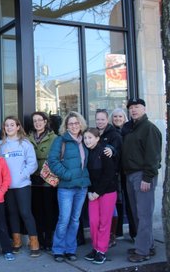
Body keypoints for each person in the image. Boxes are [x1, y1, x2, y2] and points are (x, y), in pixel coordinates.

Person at [121, 98, 162, 263]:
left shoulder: (149, 129)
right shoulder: (131, 128)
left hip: (142, 176)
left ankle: (142, 251)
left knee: (144, 215)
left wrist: (147, 178)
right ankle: (147, 245)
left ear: (144, 109)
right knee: (137, 214)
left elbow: (153, 157)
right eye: (131, 108)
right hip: (130, 175)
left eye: (137, 107)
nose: (133, 110)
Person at [48, 111, 90, 263]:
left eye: (76, 123)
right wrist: (67, 175)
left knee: (75, 219)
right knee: (64, 219)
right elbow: (52, 161)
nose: (74, 126)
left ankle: (70, 249)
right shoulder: (61, 140)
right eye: (70, 123)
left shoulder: (85, 140)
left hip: (82, 187)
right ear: (66, 126)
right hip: (66, 187)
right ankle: (58, 249)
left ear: (81, 124)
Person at [0, 116, 40, 257]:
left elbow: (33, 164)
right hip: (8, 187)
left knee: (25, 212)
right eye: (7, 125)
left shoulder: (25, 144)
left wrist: (22, 175)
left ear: (18, 127)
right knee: (12, 213)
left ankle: (34, 242)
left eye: (12, 125)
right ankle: (16, 241)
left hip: (23, 185)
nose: (9, 127)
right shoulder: (1, 145)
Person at [82, 128, 117, 265]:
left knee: (104, 222)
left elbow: (108, 175)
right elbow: (87, 175)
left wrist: (97, 192)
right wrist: (90, 192)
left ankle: (101, 250)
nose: (87, 140)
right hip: (92, 194)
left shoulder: (104, 152)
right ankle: (95, 248)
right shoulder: (86, 153)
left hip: (107, 192)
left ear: (97, 138)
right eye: (85, 138)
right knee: (93, 222)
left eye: (90, 138)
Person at [27, 111, 58, 251]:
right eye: (35, 121)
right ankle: (38, 237)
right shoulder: (28, 138)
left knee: (49, 210)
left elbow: (56, 158)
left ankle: (49, 239)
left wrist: (44, 175)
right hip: (33, 180)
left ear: (45, 122)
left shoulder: (54, 138)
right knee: (36, 210)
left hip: (48, 180)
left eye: (40, 120)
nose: (37, 123)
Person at [95, 109, 122, 247]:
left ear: (107, 120)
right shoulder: (94, 133)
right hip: (97, 177)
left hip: (110, 176)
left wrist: (112, 150)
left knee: (111, 208)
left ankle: (112, 235)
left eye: (102, 119)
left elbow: (116, 149)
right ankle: (103, 234)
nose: (100, 121)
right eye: (97, 119)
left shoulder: (114, 134)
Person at [110, 108, 136, 241]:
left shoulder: (129, 131)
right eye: (115, 117)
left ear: (124, 117)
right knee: (117, 202)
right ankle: (118, 232)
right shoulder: (110, 132)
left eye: (120, 116)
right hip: (115, 173)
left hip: (128, 171)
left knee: (131, 203)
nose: (118, 119)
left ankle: (134, 233)